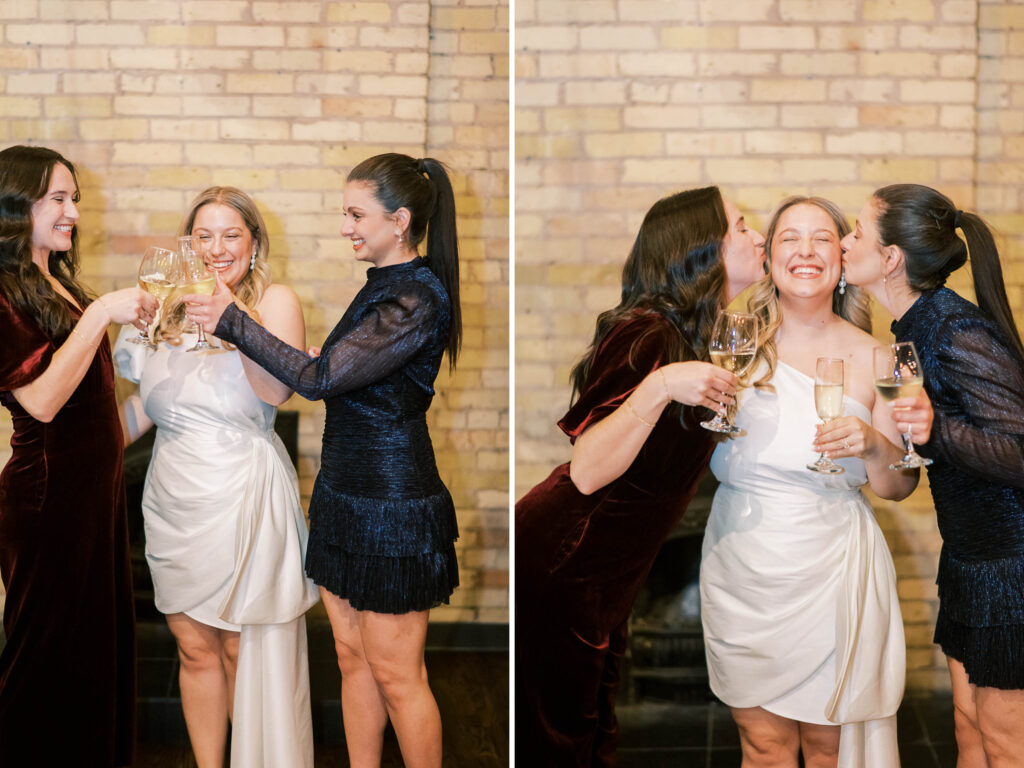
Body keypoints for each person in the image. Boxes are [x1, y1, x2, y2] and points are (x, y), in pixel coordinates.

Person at [183, 153, 461, 768]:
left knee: (398, 676)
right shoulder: (382, 284)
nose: (345, 227)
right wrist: (318, 362)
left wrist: (231, 320)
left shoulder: (417, 295)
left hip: (390, 504)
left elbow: (318, 381)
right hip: (342, 493)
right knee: (351, 657)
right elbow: (338, 372)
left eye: (356, 215)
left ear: (400, 221)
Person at [515, 186, 767, 766]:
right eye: (741, 226)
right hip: (568, 558)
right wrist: (660, 386)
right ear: (700, 249)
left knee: (592, 730)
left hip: (607, 573)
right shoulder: (649, 333)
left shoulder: (701, 333)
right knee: (560, 740)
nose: (758, 237)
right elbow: (586, 470)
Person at [700, 195, 934, 768]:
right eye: (789, 238)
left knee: (830, 748)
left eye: (822, 238)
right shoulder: (729, 343)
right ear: (768, 258)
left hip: (833, 571)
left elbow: (901, 486)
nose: (805, 251)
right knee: (762, 747)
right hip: (741, 566)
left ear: (842, 258)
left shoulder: (894, 358)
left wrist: (874, 443)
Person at [114, 186, 319, 768]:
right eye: (203, 236)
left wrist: (229, 316)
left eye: (231, 235)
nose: (216, 247)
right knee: (193, 648)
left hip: (240, 495)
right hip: (172, 497)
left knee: (235, 647)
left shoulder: (275, 302)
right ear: (188, 244)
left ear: (254, 244)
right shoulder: (165, 309)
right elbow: (144, 408)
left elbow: (275, 391)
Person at [840, 184, 1024, 767]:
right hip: (969, 557)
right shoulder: (908, 332)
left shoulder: (955, 329)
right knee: (969, 729)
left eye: (856, 233)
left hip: (1010, 568)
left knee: (1007, 741)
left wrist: (936, 431)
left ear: (890, 258)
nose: (843, 242)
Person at [0, 144, 157, 765]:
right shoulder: (3, 292)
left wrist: (169, 384)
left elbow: (96, 420)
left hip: (91, 498)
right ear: (16, 206)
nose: (73, 213)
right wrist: (101, 315)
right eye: (58, 199)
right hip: (47, 502)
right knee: (42, 666)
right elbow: (41, 403)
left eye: (75, 200)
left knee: (92, 660)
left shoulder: (55, 284)